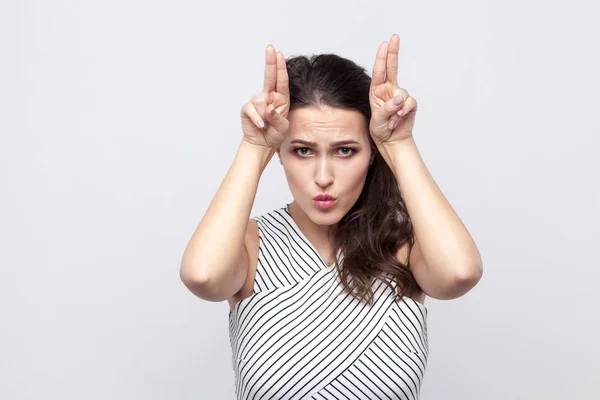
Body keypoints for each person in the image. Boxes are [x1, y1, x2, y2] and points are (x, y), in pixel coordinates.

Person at [180, 34, 483, 400]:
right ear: (280, 152)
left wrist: (399, 144)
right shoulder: (248, 245)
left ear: (371, 152)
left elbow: (460, 273)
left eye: (345, 150)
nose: (323, 177)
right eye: (303, 150)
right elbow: (203, 276)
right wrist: (254, 146)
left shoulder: (403, 245)